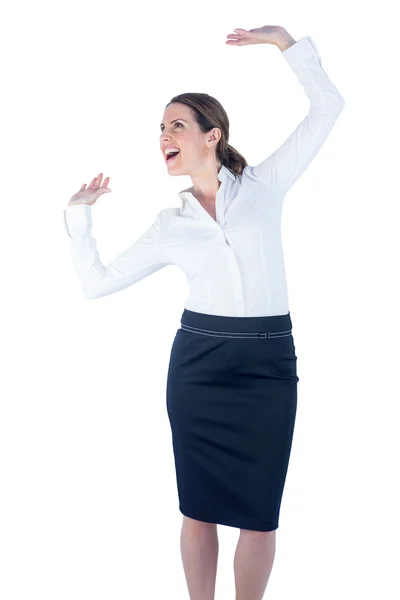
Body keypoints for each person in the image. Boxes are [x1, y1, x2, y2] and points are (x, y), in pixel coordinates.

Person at [63, 25, 344, 600]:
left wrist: (286, 43)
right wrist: (78, 216)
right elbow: (97, 284)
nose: (163, 136)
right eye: (160, 128)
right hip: (199, 367)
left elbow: (328, 107)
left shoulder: (265, 185)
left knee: (261, 514)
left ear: (211, 136)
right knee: (197, 510)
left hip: (268, 366)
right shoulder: (171, 226)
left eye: (176, 125)